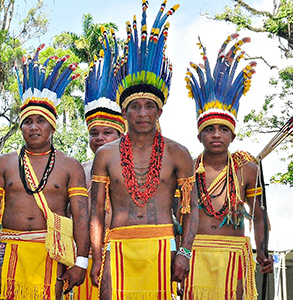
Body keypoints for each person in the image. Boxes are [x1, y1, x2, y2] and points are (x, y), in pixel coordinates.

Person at [89, 2, 200, 299]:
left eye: (149, 105)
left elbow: (191, 209)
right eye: (134, 106)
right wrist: (97, 255)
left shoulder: (178, 153)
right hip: (118, 244)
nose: (142, 113)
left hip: (162, 245)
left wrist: (185, 252)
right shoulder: (107, 155)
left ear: (159, 111)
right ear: (124, 112)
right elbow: (96, 212)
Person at [0, 49, 90, 299]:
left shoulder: (70, 166)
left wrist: (81, 261)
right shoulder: (5, 163)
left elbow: (82, 216)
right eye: (28, 122)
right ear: (21, 127)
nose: (34, 127)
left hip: (52, 252)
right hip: (11, 250)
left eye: (41, 121)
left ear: (52, 125)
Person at [182, 33, 274, 300]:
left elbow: (258, 216)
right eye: (209, 129)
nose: (216, 135)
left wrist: (263, 252)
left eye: (223, 129)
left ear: (232, 135)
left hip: (234, 253)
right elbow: (181, 215)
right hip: (195, 252)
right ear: (199, 135)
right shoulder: (188, 168)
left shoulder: (246, 169)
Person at [75, 27, 125, 300]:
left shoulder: (135, 170)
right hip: (84, 258)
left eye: (108, 132)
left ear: (121, 135)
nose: (100, 138)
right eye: (94, 133)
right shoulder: (79, 171)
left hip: (124, 254)